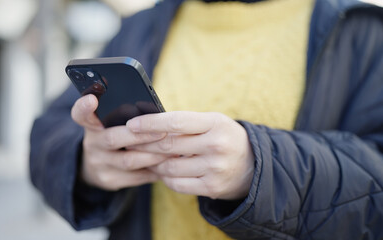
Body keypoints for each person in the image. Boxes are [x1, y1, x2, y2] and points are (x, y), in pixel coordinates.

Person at [30, 0, 383, 239]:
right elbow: (47, 134)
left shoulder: (361, 30)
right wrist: (86, 161)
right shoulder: (141, 26)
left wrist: (257, 168)